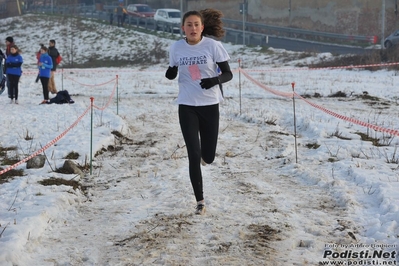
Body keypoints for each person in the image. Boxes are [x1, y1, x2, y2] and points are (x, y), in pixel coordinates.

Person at [165, 9, 233, 215]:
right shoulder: (176, 48)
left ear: (202, 27)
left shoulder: (213, 46)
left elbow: (228, 73)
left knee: (208, 156)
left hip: (210, 105)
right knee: (193, 154)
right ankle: (200, 202)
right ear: (183, 28)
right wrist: (171, 72)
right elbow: (170, 72)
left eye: (196, 24)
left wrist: (215, 79)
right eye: (189, 25)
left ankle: (206, 157)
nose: (193, 28)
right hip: (186, 105)